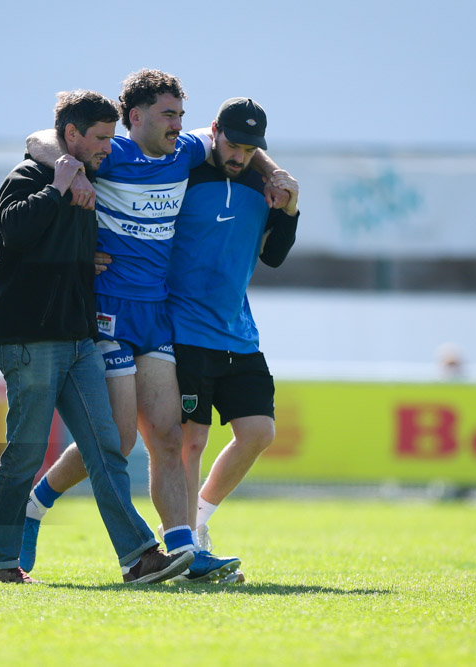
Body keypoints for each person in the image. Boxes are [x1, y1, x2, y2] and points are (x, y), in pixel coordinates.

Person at [20, 71, 287, 582]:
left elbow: (234, 142)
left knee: (167, 437)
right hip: (108, 314)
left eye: (181, 116)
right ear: (134, 117)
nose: (177, 125)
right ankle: (35, 504)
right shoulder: (109, 154)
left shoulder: (186, 152)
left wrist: (275, 173)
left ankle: (185, 550)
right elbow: (37, 140)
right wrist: (71, 169)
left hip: (157, 315)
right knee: (119, 441)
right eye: (168, 115)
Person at [0, 90, 194, 585]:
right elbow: (13, 233)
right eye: (98, 138)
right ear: (70, 136)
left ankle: (139, 557)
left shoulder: (90, 176)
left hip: (78, 337)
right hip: (29, 338)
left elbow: (68, 246)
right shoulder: (26, 177)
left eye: (110, 137)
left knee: (107, 447)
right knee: (26, 453)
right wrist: (58, 187)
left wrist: (86, 256)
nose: (105, 148)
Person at [167, 98, 299, 583]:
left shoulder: (261, 186)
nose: (240, 155)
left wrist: (291, 207)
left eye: (250, 148)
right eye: (233, 143)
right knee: (192, 439)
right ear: (215, 132)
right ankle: (183, 545)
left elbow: (276, 258)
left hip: (238, 332)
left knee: (259, 432)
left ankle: (199, 523)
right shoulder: (185, 170)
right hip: (184, 329)